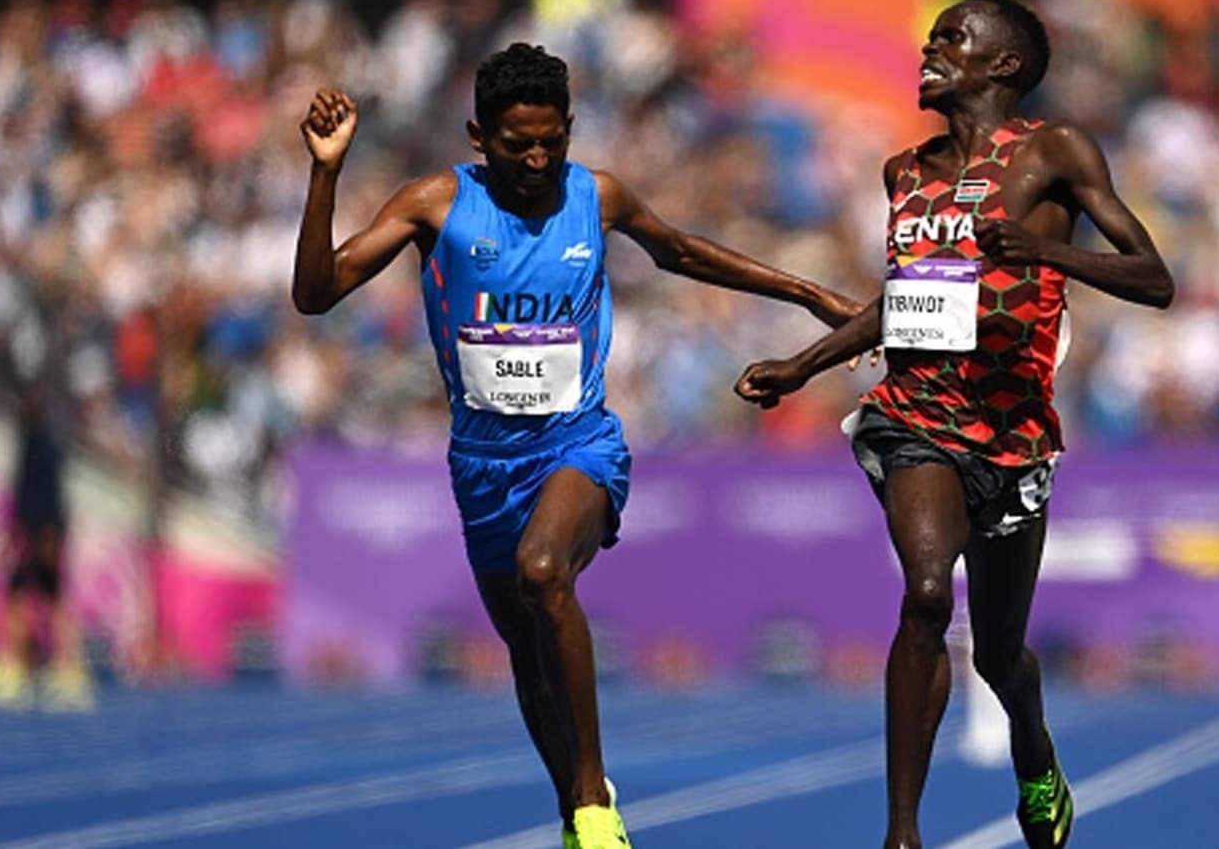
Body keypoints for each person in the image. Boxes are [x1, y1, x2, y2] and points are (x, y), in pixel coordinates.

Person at [293, 43, 861, 849]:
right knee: (527, 656)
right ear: (477, 137)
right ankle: (576, 815)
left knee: (543, 571)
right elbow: (315, 295)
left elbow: (684, 251)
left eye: (552, 141)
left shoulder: (596, 196)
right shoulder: (434, 203)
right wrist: (326, 173)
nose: (536, 159)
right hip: (483, 466)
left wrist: (807, 293)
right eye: (518, 144)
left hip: (579, 445)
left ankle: (594, 798)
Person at [735, 0, 1174, 849]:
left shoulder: (1055, 150)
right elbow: (905, 301)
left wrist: (1044, 249)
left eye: (951, 40)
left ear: (1003, 64)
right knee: (929, 594)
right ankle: (903, 833)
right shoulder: (907, 171)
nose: (928, 51)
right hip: (916, 414)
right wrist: (803, 365)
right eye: (931, 38)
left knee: (1003, 653)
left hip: (1013, 432)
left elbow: (1153, 277)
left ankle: (1035, 752)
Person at [0, 376, 94, 713]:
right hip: (35, 531)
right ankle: (46, 669)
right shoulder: (37, 441)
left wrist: (46, 535)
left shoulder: (41, 444)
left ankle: (52, 670)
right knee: (36, 598)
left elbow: (45, 495)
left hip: (38, 532)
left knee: (35, 598)